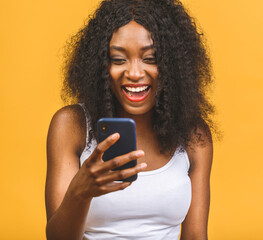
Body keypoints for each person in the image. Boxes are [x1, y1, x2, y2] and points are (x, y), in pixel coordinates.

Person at [45, 0, 215, 239]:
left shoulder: (193, 135)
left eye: (151, 58)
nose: (134, 73)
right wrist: (80, 192)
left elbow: (196, 236)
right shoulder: (72, 126)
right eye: (118, 59)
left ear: (173, 65)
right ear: (101, 65)